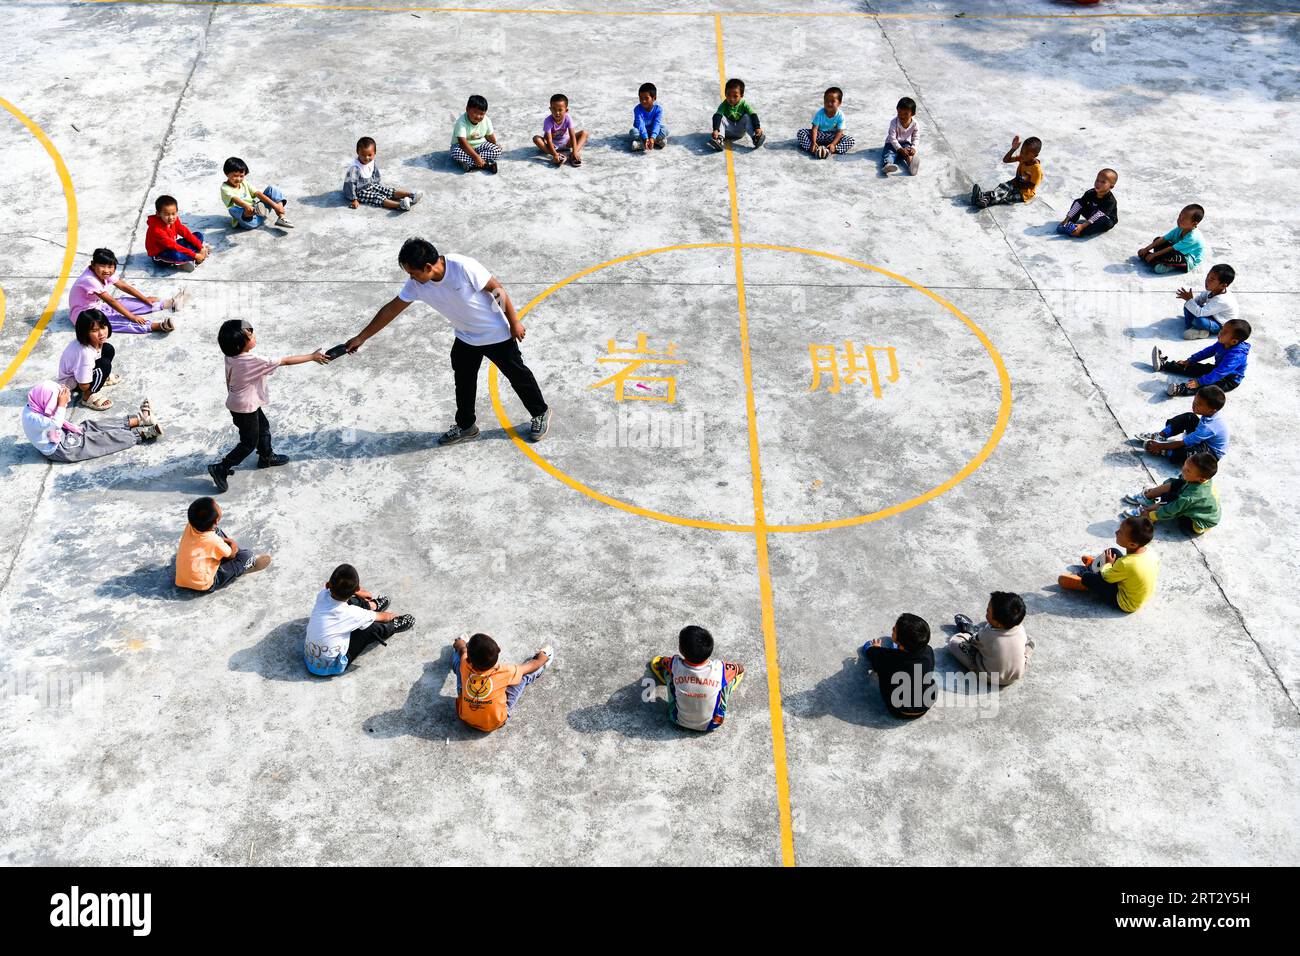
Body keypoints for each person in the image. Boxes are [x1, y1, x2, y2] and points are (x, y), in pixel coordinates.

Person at [343, 238, 551, 446]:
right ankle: (466, 426)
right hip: (465, 337)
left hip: (496, 334)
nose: (411, 278)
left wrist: (514, 322)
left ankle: (540, 412)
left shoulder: (462, 266)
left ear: (428, 267)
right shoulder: (417, 284)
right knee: (464, 383)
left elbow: (496, 289)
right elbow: (391, 309)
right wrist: (361, 337)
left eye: (413, 273)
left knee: (518, 375)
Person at [206, 319, 329, 493]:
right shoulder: (252, 361)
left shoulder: (231, 356)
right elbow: (285, 361)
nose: (254, 335)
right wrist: (312, 356)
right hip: (245, 408)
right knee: (248, 442)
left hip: (241, 403)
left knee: (263, 427)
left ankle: (266, 457)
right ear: (241, 344)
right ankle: (222, 468)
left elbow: (229, 379)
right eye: (250, 335)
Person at [303, 564, 415, 675]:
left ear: (327, 585)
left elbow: (342, 595)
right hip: (332, 666)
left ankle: (371, 606)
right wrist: (391, 616)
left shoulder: (322, 595)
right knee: (370, 628)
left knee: (351, 604)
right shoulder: (352, 613)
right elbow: (383, 617)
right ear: (355, 590)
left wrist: (356, 592)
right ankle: (393, 626)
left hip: (310, 659)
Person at [21, 380, 161, 463]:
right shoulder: (33, 418)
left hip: (59, 434)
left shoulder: (36, 406)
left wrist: (60, 399)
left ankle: (140, 420)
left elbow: (54, 424)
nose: (57, 404)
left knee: (90, 426)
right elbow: (55, 424)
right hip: (59, 449)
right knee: (96, 441)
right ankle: (140, 435)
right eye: (54, 402)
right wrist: (61, 404)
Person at [648, 625, 744, 730]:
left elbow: (661, 661)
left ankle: (667, 680)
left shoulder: (674, 664)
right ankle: (728, 685)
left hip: (676, 719)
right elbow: (740, 668)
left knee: (668, 672)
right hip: (714, 724)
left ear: (680, 649)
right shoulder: (721, 668)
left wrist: (663, 661)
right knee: (729, 678)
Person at [68, 247, 184, 334]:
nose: (107, 270)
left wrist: (144, 299)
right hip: (84, 317)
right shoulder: (89, 279)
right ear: (93, 265)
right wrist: (132, 317)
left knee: (126, 302)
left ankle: (168, 303)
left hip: (97, 306)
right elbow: (111, 301)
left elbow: (124, 286)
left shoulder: (104, 274)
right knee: (113, 322)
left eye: (110, 267)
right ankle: (157, 326)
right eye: (102, 266)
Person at [451, 633, 552, 732]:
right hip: (495, 721)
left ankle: (459, 645)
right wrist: (541, 659)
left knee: (458, 662)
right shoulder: (505, 671)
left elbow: (462, 651)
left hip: (466, 717)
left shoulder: (465, 663)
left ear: (469, 658)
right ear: (498, 651)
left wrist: (461, 644)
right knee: (524, 676)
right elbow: (531, 666)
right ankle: (546, 660)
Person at [1057, 516, 1159, 613]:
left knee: (1090, 578)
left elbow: (1106, 577)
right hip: (1137, 592)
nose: (1116, 532)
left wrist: (1108, 564)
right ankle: (1094, 566)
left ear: (1132, 544)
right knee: (1113, 552)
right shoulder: (1150, 552)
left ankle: (1083, 578)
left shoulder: (1125, 563)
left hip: (1126, 602)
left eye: (1120, 532)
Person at [175, 497, 270, 593]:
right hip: (203, 584)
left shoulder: (191, 525)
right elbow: (231, 554)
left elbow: (210, 536)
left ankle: (220, 554)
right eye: (217, 505)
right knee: (247, 555)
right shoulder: (214, 541)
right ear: (216, 520)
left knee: (216, 530)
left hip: (181, 579)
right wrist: (232, 543)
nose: (218, 505)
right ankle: (244, 566)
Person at [1122, 451, 1220, 535]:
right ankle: (1147, 497)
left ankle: (1147, 514)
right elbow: (1174, 483)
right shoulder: (1199, 478)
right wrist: (1161, 489)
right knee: (1175, 484)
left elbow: (1172, 510)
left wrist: (1152, 515)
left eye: (1188, 470)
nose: (1183, 470)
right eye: (1184, 465)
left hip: (1197, 522)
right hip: (1198, 507)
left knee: (1172, 500)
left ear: (1201, 479)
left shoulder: (1191, 496)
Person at [947, 592, 1032, 687]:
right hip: (1015, 675)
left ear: (998, 623)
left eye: (988, 611)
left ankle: (970, 629)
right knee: (1028, 642)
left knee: (954, 642)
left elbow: (972, 641)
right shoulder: (1021, 629)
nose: (986, 613)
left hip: (991, 676)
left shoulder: (987, 635)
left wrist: (973, 636)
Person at [1152, 318, 1250, 397]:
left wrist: (1199, 382)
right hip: (1217, 370)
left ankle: (1180, 390)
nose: (1220, 332)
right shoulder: (1222, 342)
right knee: (1197, 367)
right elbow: (1207, 352)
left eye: (1224, 332)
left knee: (1209, 387)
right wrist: (1190, 360)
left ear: (1234, 341)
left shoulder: (1236, 356)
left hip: (1229, 380)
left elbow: (1219, 373)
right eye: (1222, 329)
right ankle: (1164, 365)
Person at [861, 613, 934, 718]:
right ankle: (901, 649)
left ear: (900, 640)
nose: (893, 628)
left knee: (882, 667)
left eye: (894, 630)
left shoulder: (890, 658)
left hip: (899, 710)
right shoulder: (929, 651)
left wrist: (875, 648)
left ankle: (898, 650)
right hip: (925, 705)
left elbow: (869, 650)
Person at [1131, 385, 1228, 463]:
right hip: (1203, 439)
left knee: (1188, 457)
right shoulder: (1210, 413)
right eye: (1194, 401)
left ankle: (1167, 452)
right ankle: (1160, 436)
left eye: (1198, 404)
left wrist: (1160, 447)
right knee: (1189, 417)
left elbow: (1183, 443)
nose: (1194, 404)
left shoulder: (1209, 427)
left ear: (1212, 410)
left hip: (1210, 453)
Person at [343, 136, 424, 211]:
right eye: (363, 155)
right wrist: (354, 199)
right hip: (360, 191)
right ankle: (400, 205)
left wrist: (377, 186)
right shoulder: (355, 168)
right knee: (378, 198)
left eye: (369, 155)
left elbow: (375, 173)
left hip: (371, 185)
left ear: (374, 153)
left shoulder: (371, 162)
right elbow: (350, 184)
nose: (366, 158)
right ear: (357, 152)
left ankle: (412, 195)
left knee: (388, 191)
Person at [57, 312, 118, 411]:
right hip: (74, 382)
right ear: (85, 333)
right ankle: (88, 396)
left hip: (80, 373)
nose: (101, 333)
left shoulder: (92, 343)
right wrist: (87, 389)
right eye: (94, 330)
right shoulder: (85, 353)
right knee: (105, 365)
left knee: (108, 349)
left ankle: (100, 378)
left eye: (103, 327)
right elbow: (83, 385)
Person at [221, 156, 293, 229]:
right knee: (232, 209)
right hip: (249, 220)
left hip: (260, 213)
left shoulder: (244, 183)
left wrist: (275, 206)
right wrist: (247, 207)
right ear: (226, 173)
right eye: (235, 176)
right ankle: (251, 211)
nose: (239, 179)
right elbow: (236, 199)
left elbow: (258, 193)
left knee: (272, 189)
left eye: (241, 176)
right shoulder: (225, 188)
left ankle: (282, 218)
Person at [971, 135, 1042, 208]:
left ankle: (983, 198)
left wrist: (1017, 183)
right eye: (1022, 151)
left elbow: (1032, 185)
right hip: (1015, 184)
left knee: (1007, 197)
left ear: (1035, 155)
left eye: (1026, 153)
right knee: (1003, 188)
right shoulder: (1022, 158)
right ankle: (982, 199)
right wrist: (1013, 149)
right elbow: (1006, 160)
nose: (1023, 154)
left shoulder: (1036, 169)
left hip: (1024, 193)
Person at [145, 194, 210, 271]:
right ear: (158, 214)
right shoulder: (157, 230)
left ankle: (190, 259)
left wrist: (200, 247)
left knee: (198, 235)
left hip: (173, 245)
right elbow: (173, 246)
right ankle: (192, 259)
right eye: (167, 214)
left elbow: (185, 233)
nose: (171, 217)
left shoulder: (174, 220)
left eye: (173, 213)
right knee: (177, 255)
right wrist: (195, 255)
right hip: (161, 254)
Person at [1137, 204, 1204, 274]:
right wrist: (1146, 249)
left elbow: (1172, 248)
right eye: (1179, 216)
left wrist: (1153, 255)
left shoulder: (1193, 237)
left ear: (1194, 223)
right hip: (1176, 250)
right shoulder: (1180, 228)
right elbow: (1164, 238)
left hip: (1187, 259)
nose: (1179, 220)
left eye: (1183, 219)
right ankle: (1155, 260)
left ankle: (1162, 264)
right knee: (1157, 240)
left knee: (1168, 256)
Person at [1178, 264, 1236, 339]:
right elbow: (1200, 299)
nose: (1207, 280)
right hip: (1212, 314)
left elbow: (1199, 313)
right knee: (1188, 305)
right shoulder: (1213, 289)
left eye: (1212, 279)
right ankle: (1196, 328)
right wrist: (1191, 300)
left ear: (1223, 285)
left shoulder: (1221, 300)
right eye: (1207, 276)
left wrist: (1190, 300)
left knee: (1200, 320)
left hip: (1220, 324)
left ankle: (1199, 330)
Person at [532, 93, 588, 167]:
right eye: (554, 109)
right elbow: (548, 140)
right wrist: (555, 154)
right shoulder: (548, 121)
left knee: (584, 133)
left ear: (566, 110)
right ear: (550, 109)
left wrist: (574, 151)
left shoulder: (568, 118)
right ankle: (559, 156)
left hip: (566, 143)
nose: (557, 112)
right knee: (536, 138)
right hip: (553, 145)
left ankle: (573, 155)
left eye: (560, 110)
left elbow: (572, 135)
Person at [1058, 168, 1118, 236]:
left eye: (1103, 182)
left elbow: (1098, 215)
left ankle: (1080, 232)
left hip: (1105, 219)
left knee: (1104, 221)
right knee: (1079, 201)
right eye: (1097, 180)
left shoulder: (1110, 201)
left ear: (1111, 186)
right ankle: (1069, 223)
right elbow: (1079, 204)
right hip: (1092, 213)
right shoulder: (1090, 192)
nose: (1098, 183)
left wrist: (1082, 226)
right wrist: (1066, 219)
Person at [797, 86, 853, 158]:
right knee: (801, 133)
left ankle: (830, 150)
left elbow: (840, 132)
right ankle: (814, 149)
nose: (829, 103)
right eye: (826, 100)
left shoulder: (840, 115)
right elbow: (814, 129)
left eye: (832, 101)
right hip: (819, 135)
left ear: (839, 103)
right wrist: (813, 142)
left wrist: (833, 144)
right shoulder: (820, 113)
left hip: (832, 136)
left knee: (850, 140)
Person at [710, 77, 764, 151]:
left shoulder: (744, 104)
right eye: (728, 95)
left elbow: (753, 115)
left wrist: (757, 128)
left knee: (747, 116)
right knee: (720, 116)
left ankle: (755, 137)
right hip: (727, 132)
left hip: (740, 131)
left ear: (741, 96)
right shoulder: (724, 104)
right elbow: (717, 116)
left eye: (735, 96)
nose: (731, 99)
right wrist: (715, 129)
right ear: (725, 93)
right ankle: (719, 139)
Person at [451, 94, 501, 173]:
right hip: (462, 147)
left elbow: (489, 136)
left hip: (479, 146)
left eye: (481, 114)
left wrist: (495, 145)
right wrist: (475, 157)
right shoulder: (461, 122)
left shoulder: (486, 120)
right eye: (475, 112)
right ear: (467, 109)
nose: (478, 116)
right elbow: (462, 143)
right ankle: (485, 164)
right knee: (456, 152)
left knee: (496, 150)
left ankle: (471, 165)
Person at [881, 96, 919, 175]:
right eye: (899, 113)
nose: (902, 116)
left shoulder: (915, 124)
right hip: (891, 144)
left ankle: (911, 165)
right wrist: (899, 149)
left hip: (905, 143)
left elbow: (916, 137)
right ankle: (887, 166)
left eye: (906, 114)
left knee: (909, 153)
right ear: (897, 110)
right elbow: (892, 138)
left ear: (913, 114)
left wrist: (913, 148)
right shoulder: (894, 122)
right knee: (889, 153)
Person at [630, 82, 667, 152]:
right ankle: (653, 142)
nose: (643, 101)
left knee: (665, 130)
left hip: (654, 131)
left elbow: (657, 123)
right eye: (641, 98)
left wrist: (653, 137)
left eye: (646, 98)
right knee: (633, 132)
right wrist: (645, 137)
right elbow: (640, 124)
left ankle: (644, 144)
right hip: (641, 132)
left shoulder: (658, 109)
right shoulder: (637, 109)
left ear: (654, 98)